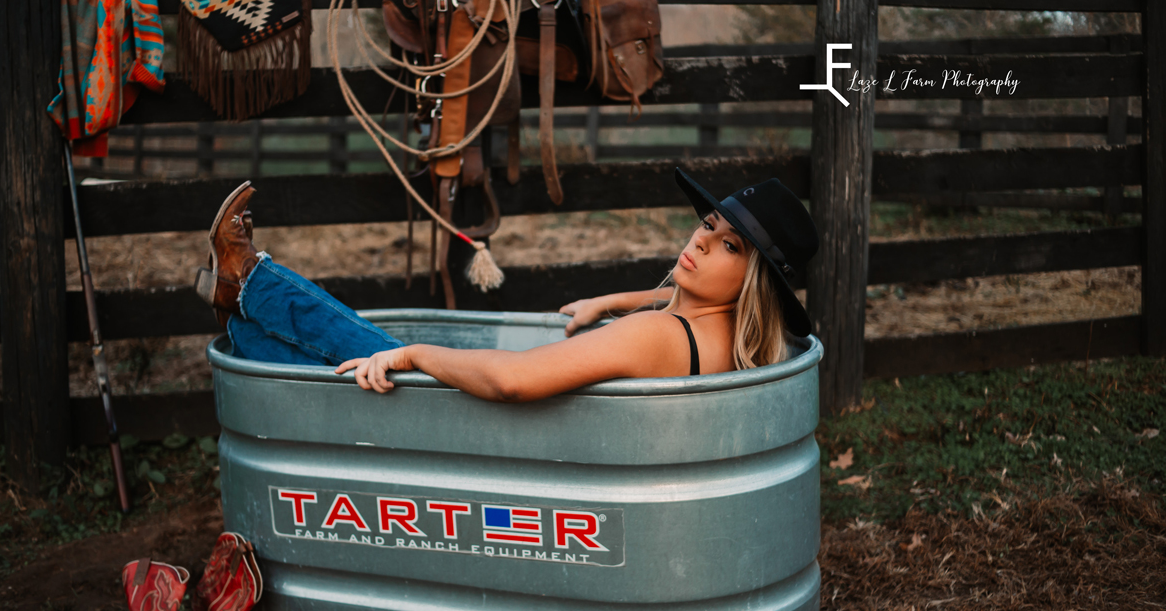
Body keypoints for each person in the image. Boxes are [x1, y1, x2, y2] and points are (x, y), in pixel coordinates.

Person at [194, 169, 818, 402]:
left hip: (513, 432)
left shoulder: (658, 337)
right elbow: (669, 300)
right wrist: (610, 300)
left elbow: (514, 380)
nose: (703, 240)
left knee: (380, 353)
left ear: (754, 282)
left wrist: (414, 355)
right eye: (708, 224)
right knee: (350, 355)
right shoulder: (726, 328)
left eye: (731, 245)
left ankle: (249, 284)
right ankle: (244, 303)